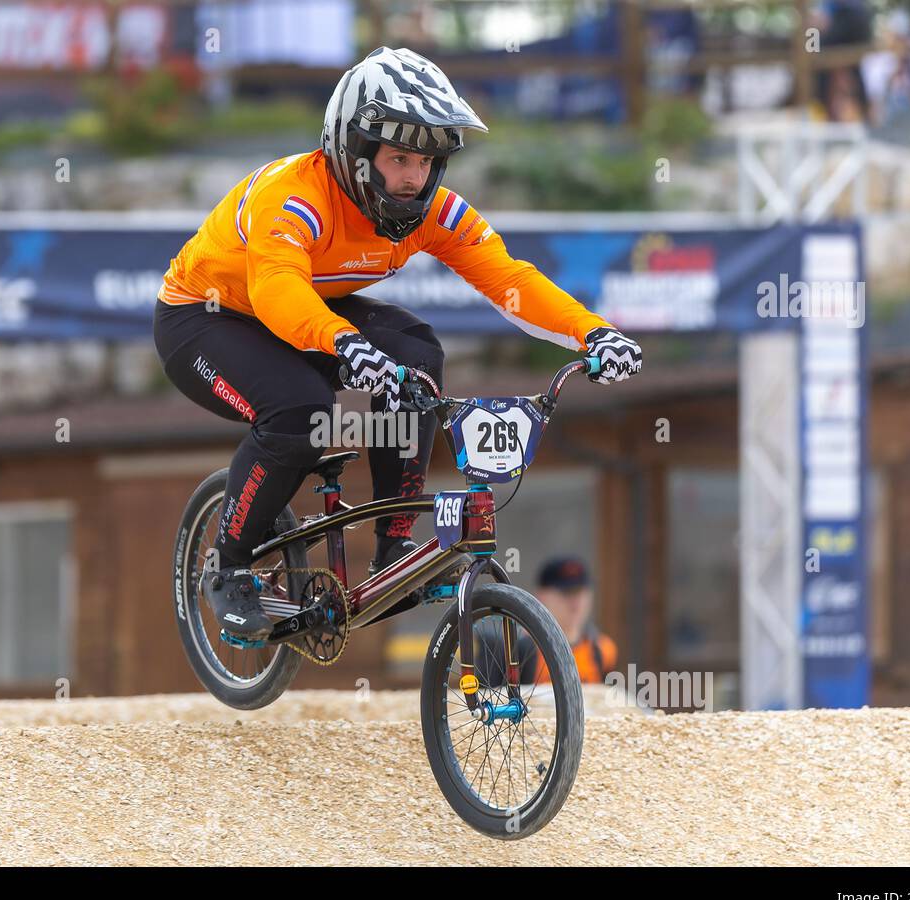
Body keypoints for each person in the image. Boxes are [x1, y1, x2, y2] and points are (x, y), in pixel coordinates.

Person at [153, 47, 643, 640]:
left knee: (417, 354)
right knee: (300, 410)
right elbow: (277, 287)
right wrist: (344, 342)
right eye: (400, 158)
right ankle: (228, 570)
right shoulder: (295, 195)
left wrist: (593, 333)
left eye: (428, 161)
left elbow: (510, 280)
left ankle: (393, 549)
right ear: (355, 154)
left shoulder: (430, 209)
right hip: (206, 319)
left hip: (311, 312)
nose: (415, 177)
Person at [529, 557, 616, 685]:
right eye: (566, 593)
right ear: (541, 596)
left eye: (580, 592)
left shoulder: (603, 651)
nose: (576, 602)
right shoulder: (520, 650)